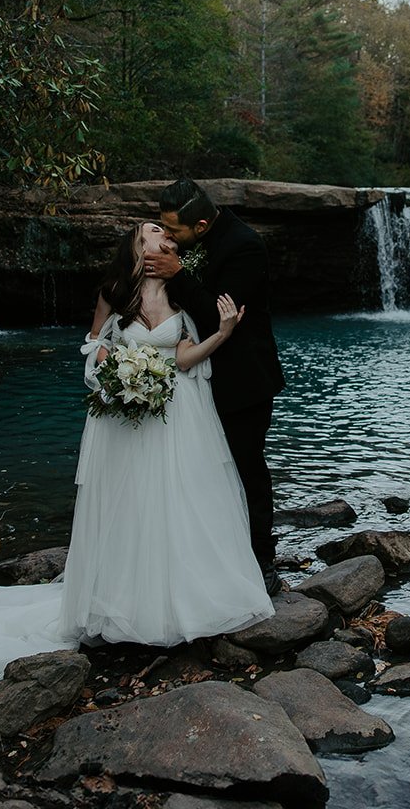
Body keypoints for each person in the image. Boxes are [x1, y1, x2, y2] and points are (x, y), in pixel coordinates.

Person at [0, 222, 273, 708]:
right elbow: (94, 351)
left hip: (177, 416)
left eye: (165, 229)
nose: (162, 234)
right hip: (127, 420)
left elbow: (184, 358)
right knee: (132, 506)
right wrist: (115, 378)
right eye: (150, 232)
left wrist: (223, 332)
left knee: (181, 502)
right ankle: (122, 607)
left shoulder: (185, 295)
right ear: (138, 249)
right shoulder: (115, 296)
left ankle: (182, 604)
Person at [145, 180, 286, 594]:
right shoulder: (188, 239)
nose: (168, 238)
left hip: (242, 379)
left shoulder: (245, 246)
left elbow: (218, 319)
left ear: (202, 225)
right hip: (191, 380)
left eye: (174, 231)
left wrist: (178, 274)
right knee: (200, 471)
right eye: (162, 228)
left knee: (246, 470)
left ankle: (262, 560)